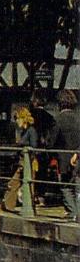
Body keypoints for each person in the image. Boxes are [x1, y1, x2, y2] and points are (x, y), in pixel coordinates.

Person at [2, 106, 38, 213]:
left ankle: (29, 208)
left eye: (17, 119)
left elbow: (34, 146)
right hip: (22, 161)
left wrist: (23, 148)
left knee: (28, 185)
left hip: (29, 162)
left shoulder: (31, 131)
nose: (16, 121)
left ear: (23, 118)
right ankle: (8, 206)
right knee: (13, 183)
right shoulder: (24, 131)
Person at [54, 90, 79, 222]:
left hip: (63, 157)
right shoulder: (78, 118)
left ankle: (72, 211)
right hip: (78, 155)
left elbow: (51, 140)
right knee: (77, 185)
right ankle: (77, 212)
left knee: (65, 186)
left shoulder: (58, 119)